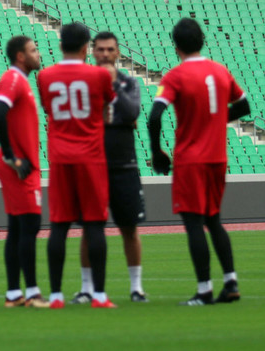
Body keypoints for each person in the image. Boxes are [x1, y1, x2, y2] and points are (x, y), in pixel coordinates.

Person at [148, 18, 249, 306]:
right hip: (217, 158)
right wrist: (216, 123)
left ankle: (204, 289)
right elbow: (244, 106)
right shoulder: (220, 71)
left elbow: (155, 115)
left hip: (191, 160)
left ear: (176, 46)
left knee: (193, 222)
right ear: (203, 40)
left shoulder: (175, 76)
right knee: (214, 219)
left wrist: (157, 152)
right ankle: (230, 282)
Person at [37, 23, 116, 309]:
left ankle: (56, 295)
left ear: (61, 46)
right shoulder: (98, 75)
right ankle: (99, 295)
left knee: (58, 226)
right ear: (86, 48)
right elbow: (108, 105)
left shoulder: (45, 76)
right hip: (91, 157)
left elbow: (48, 108)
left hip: (60, 158)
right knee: (94, 225)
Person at [71, 32, 148, 304]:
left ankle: (136, 287)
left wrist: (112, 87)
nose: (104, 54)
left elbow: (132, 112)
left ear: (117, 53)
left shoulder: (129, 81)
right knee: (90, 228)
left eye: (109, 49)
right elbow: (81, 117)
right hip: (91, 164)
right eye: (100, 49)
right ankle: (86, 288)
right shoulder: (82, 82)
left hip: (124, 164)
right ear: (92, 52)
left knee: (129, 228)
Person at [0, 35, 47, 308]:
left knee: (18, 228)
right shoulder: (13, 79)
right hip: (19, 166)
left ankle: (14, 293)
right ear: (21, 56)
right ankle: (32, 293)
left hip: (21, 163)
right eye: (34, 50)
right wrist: (13, 157)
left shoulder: (22, 81)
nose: (39, 54)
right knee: (29, 225)